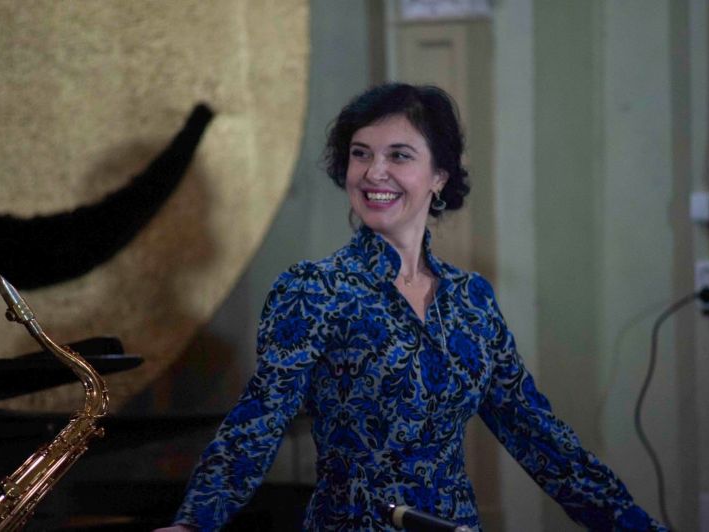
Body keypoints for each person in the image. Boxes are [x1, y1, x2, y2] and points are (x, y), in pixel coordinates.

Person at [159, 83, 666, 531]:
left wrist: (632, 524)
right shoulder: (312, 290)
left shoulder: (472, 300)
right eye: (360, 154)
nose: (374, 172)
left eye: (399, 155)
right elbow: (258, 421)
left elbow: (539, 437)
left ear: (439, 175)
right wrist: (193, 522)